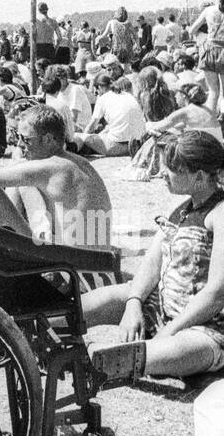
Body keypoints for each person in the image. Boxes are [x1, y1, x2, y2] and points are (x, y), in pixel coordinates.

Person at [85, 132, 224, 379]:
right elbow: (151, 263)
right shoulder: (182, 209)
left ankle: (94, 358)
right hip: (163, 308)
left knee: (183, 350)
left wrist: (170, 330)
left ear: (199, 177)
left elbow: (215, 294)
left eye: (170, 169)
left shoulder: (219, 214)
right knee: (111, 296)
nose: (161, 174)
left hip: (205, 326)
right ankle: (37, 327)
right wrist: (133, 303)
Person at [0, 104, 112, 248]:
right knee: (21, 185)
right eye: (17, 136)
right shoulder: (77, 163)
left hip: (67, 267)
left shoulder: (52, 167)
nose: (19, 144)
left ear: (47, 139)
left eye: (26, 139)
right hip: (92, 263)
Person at [75, 74, 145, 157]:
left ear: (100, 87)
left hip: (117, 146)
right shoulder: (128, 95)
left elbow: (91, 128)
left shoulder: (103, 99)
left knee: (80, 137)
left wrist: (84, 137)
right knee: (106, 131)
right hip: (138, 143)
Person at [146, 76, 223, 144]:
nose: (175, 97)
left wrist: (148, 125)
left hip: (200, 149)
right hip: (216, 146)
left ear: (183, 95)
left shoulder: (183, 112)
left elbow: (159, 128)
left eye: (176, 93)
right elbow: (180, 125)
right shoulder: (206, 109)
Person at [190, 0, 224, 119]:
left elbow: (192, 30)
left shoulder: (208, 10)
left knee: (213, 91)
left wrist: (204, 41)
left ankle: (210, 120)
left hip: (209, 50)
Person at [35, 2, 60, 68]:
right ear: (47, 10)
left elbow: (32, 37)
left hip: (39, 47)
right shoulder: (53, 21)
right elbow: (60, 38)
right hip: (50, 47)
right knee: (50, 70)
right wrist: (55, 49)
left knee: (39, 69)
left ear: (39, 10)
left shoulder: (36, 21)